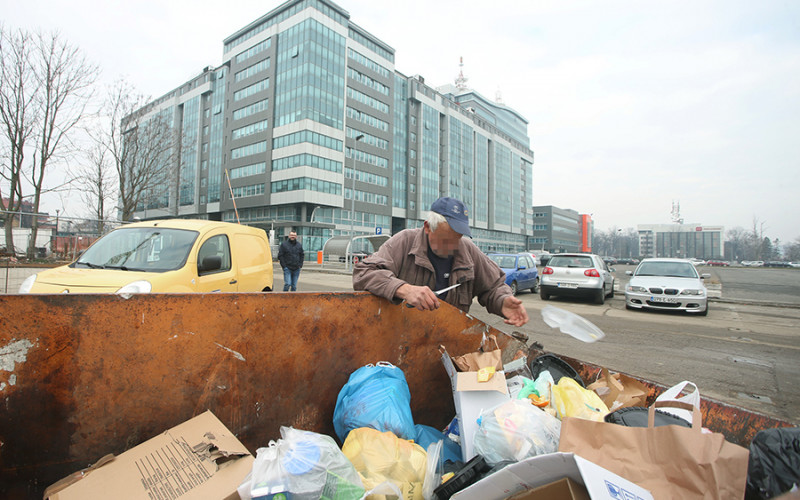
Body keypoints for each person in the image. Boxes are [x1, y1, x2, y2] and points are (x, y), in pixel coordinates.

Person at [353, 197, 529, 327]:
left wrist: (503, 300)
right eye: (446, 240)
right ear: (428, 227)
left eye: (457, 239)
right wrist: (404, 289)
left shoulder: (466, 249)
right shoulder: (404, 242)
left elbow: (493, 286)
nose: (453, 246)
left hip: (446, 340)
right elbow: (364, 273)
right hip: (401, 341)